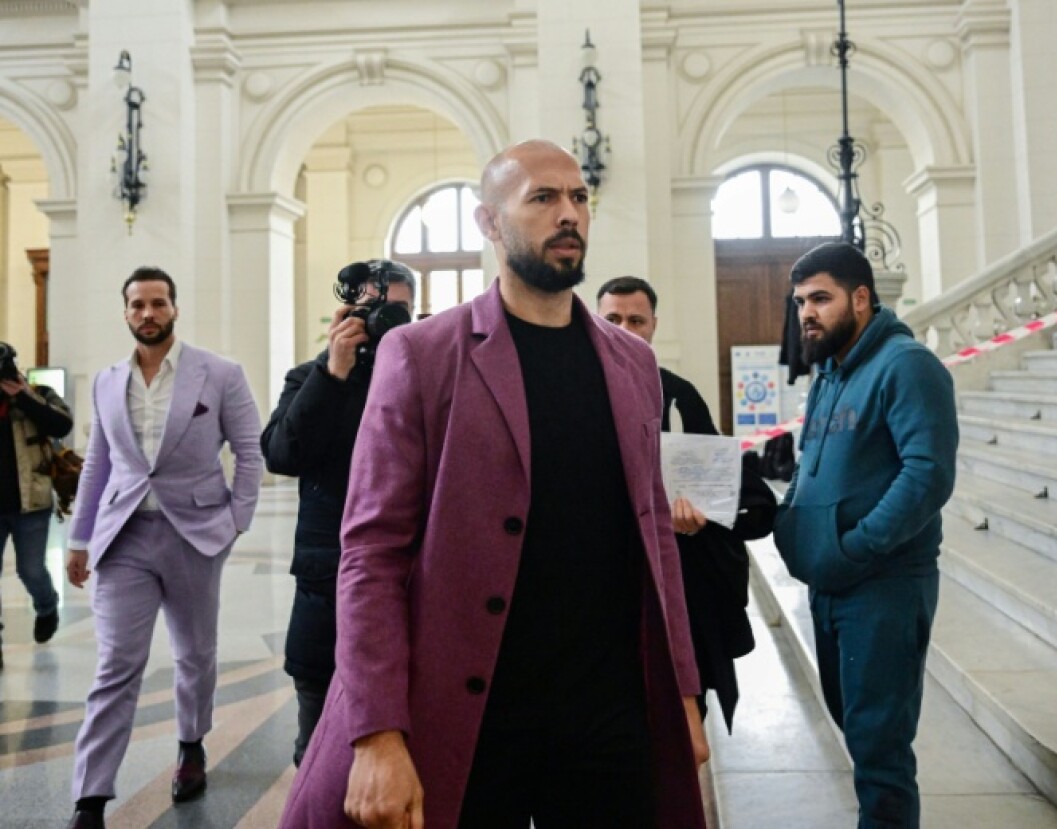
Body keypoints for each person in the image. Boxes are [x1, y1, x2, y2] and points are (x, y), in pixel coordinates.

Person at [280, 139, 708, 829]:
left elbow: (654, 531)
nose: (567, 213)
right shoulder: (421, 354)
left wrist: (683, 690)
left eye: (578, 198)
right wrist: (376, 730)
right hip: (473, 708)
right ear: (488, 223)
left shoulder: (633, 364)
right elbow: (371, 551)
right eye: (542, 198)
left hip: (606, 707)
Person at [63, 267, 263, 829]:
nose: (147, 313)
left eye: (157, 303)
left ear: (174, 308)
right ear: (124, 312)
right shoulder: (106, 382)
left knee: (194, 654)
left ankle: (191, 743)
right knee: (115, 665)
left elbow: (250, 452)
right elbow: (98, 465)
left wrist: (235, 521)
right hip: (124, 537)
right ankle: (91, 797)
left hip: (195, 534)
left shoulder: (219, 374)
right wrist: (79, 538)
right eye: (137, 305)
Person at [773, 242, 958, 829]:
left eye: (821, 299)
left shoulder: (907, 365)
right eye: (801, 301)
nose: (807, 313)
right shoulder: (827, 373)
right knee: (857, 729)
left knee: (881, 753)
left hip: (883, 587)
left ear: (860, 297)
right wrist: (791, 527)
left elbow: (928, 474)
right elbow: (808, 465)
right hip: (832, 585)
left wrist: (857, 545)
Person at [596, 275, 776, 730]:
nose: (624, 328)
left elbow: (719, 482)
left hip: (674, 579)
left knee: (676, 723)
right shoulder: (573, 390)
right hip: (601, 585)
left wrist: (703, 519)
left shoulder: (679, 394)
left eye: (636, 320)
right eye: (613, 319)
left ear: (654, 324)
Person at [261, 260, 416, 767]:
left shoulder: (426, 375)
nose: (383, 324)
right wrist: (334, 371)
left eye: (396, 313)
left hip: (411, 577)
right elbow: (282, 455)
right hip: (326, 582)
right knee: (317, 742)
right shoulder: (312, 376)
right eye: (373, 312)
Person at [0, 343, 73, 668]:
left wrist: (25, 396)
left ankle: (47, 606)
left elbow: (62, 425)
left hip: (31, 502)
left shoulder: (39, 393)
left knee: (30, 569)